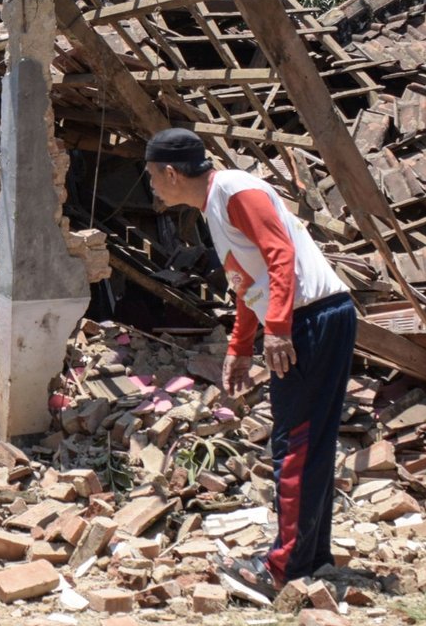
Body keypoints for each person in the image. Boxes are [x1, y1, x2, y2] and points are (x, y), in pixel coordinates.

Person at [145, 128, 356, 598]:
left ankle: (280, 569)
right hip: (317, 315)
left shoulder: (235, 191)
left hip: (310, 320)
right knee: (310, 441)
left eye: (153, 176)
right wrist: (241, 347)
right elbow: (248, 281)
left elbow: (280, 257)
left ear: (171, 172)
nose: (152, 186)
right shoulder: (216, 205)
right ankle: (308, 558)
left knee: (295, 442)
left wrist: (277, 329)